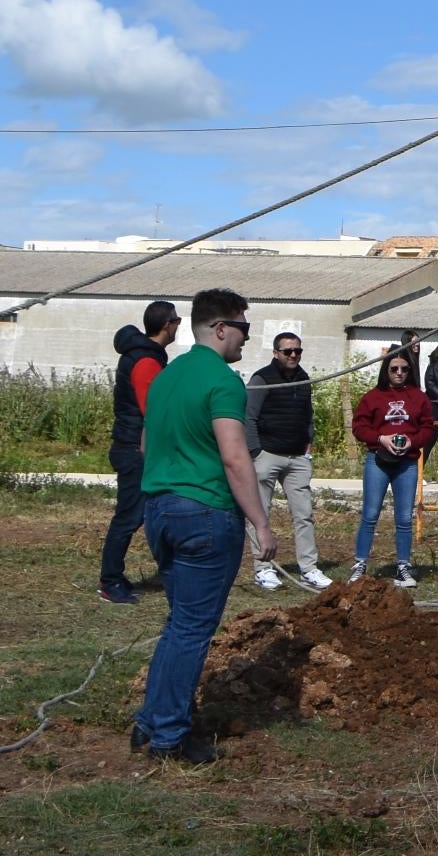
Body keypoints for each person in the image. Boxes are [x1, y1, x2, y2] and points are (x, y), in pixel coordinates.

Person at [129, 288, 275, 763]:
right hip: (206, 513)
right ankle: (169, 737)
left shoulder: (167, 376)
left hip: (159, 509)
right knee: (192, 629)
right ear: (220, 328)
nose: (246, 340)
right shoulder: (224, 381)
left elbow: (147, 446)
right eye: (244, 329)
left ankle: (150, 722)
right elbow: (235, 457)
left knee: (178, 624)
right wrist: (261, 523)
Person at [97, 300, 181, 605]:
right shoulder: (146, 360)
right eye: (177, 321)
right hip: (135, 449)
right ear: (167, 325)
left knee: (143, 514)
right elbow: (152, 410)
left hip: (135, 446)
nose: (178, 326)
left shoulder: (149, 356)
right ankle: (110, 581)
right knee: (129, 517)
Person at [245, 330, 333, 593]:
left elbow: (307, 414)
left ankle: (309, 568)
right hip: (267, 454)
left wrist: (309, 442)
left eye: (297, 351)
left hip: (297, 456)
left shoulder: (303, 379)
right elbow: (249, 417)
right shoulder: (262, 379)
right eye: (287, 351)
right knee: (260, 513)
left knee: (304, 514)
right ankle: (263, 569)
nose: (293, 355)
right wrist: (255, 452)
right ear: (276, 353)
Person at [349, 345, 436, 588]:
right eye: (394, 368)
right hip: (378, 460)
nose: (399, 373)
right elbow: (359, 427)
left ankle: (403, 567)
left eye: (404, 369)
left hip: (406, 462)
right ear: (386, 370)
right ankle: (360, 564)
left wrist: (412, 441)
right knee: (370, 514)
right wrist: (380, 438)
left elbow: (427, 428)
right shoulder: (372, 397)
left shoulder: (419, 397)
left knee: (404, 518)